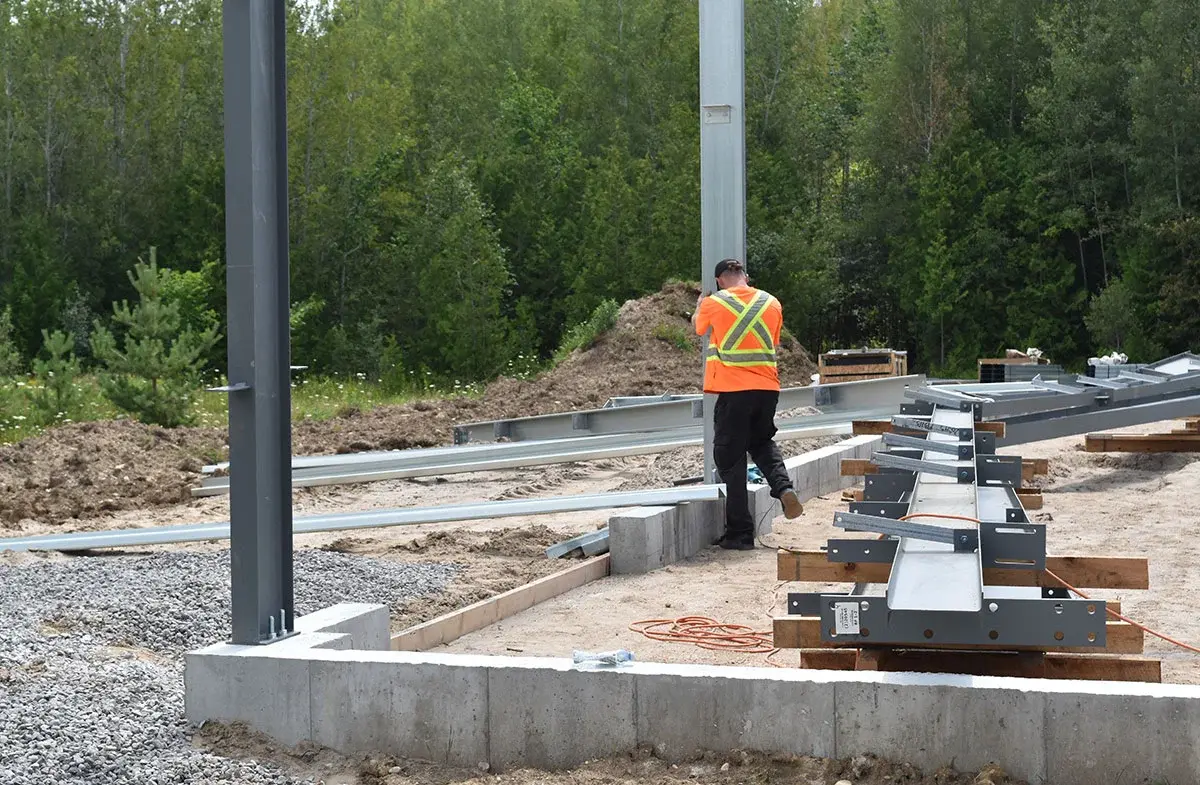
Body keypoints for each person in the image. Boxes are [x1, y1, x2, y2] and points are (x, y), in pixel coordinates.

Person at [691, 258, 804, 550]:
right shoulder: (772, 303)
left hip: (733, 391)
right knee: (762, 443)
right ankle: (783, 487)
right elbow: (772, 341)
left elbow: (699, 328)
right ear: (745, 276)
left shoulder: (714, 302)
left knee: (730, 458)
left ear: (719, 281)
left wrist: (699, 306)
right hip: (767, 389)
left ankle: (740, 534)